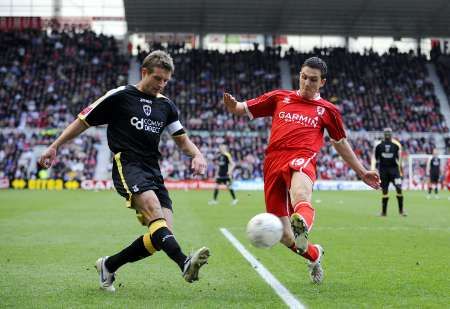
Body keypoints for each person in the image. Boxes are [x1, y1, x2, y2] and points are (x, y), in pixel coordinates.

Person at [39, 50, 210, 292]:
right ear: (144, 72)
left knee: (162, 234)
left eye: (165, 81)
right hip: (128, 165)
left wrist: (198, 155)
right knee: (154, 215)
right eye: (157, 79)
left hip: (154, 170)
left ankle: (108, 266)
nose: (161, 84)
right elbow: (83, 120)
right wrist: (55, 146)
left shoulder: (166, 106)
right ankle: (184, 263)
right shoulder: (120, 96)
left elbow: (182, 140)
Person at [222, 56, 380, 284]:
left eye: (313, 80)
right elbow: (242, 108)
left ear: (322, 82)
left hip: (302, 158)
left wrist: (362, 171)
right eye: (304, 77)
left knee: (300, 195)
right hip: (273, 163)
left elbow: (340, 142)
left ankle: (302, 223)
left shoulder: (328, 110)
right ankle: (314, 254)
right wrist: (232, 106)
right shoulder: (279, 97)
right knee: (284, 236)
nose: (307, 83)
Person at [373, 128, 406, 216]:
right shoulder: (379, 145)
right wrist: (375, 170)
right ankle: (384, 212)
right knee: (384, 191)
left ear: (391, 134)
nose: (387, 134)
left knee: (399, 188)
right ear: (384, 134)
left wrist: (401, 172)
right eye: (386, 133)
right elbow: (376, 159)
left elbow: (400, 160)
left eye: (389, 133)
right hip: (383, 171)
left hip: (395, 171)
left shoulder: (396, 145)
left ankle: (401, 211)